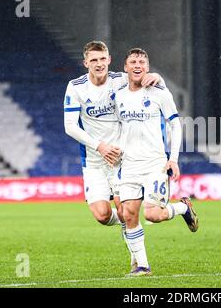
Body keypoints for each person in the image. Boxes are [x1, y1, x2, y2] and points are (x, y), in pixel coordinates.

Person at [63, 41, 163, 271]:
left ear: (109, 59)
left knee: (127, 211)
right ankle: (129, 222)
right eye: (94, 60)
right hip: (94, 160)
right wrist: (100, 146)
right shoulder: (76, 87)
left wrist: (157, 76)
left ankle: (141, 264)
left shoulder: (120, 80)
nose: (99, 64)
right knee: (102, 214)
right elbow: (70, 126)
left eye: (103, 59)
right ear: (86, 63)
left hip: (121, 159)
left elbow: (150, 85)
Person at [115, 48, 199, 277]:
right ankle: (142, 266)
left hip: (155, 164)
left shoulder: (159, 92)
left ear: (147, 67)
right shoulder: (119, 95)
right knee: (129, 214)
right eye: (132, 61)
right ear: (125, 68)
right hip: (129, 165)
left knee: (152, 214)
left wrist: (173, 159)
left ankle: (183, 208)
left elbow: (175, 123)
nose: (137, 65)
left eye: (142, 61)